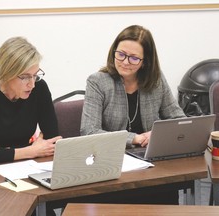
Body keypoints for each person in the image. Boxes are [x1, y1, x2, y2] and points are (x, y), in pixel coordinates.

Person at [80, 25, 186, 204]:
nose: (125, 62)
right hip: (111, 166)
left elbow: (179, 120)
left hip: (151, 165)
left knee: (167, 191)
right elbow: (89, 131)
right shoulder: (98, 82)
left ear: (145, 62)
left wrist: (158, 134)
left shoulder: (156, 80)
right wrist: (134, 138)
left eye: (134, 58)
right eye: (120, 54)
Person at [0, 37, 62, 165]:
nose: (32, 84)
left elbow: (53, 141)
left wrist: (3, 152)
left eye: (35, 75)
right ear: (7, 74)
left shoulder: (40, 88)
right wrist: (32, 150)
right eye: (25, 77)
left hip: (27, 166)